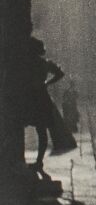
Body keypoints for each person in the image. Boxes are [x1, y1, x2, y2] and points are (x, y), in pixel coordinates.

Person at [24, 38, 65, 171]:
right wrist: (47, 83)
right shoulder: (44, 64)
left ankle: (33, 161)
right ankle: (39, 161)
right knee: (42, 131)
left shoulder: (26, 64)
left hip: (30, 98)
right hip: (41, 97)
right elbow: (60, 73)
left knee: (23, 127)